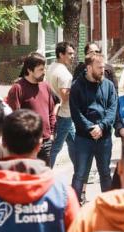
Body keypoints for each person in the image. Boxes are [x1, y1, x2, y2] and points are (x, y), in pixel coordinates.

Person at [69, 52, 117, 203]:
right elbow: (75, 112)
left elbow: (112, 108)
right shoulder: (77, 86)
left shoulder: (108, 85)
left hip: (104, 138)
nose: (103, 70)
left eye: (103, 67)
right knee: (79, 174)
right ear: (89, 68)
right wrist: (91, 128)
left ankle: (108, 207)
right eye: (99, 67)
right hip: (84, 138)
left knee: (105, 174)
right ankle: (74, 207)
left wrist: (102, 126)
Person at [6, 54, 56, 164]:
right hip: (28, 144)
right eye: (41, 69)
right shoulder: (18, 88)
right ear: (29, 70)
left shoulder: (45, 86)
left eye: (45, 69)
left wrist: (51, 133)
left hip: (46, 142)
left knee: (44, 177)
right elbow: (15, 117)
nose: (44, 72)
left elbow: (51, 112)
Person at [47, 41, 77, 169]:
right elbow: (65, 96)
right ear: (61, 54)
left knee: (74, 144)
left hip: (61, 113)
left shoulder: (52, 66)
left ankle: (82, 173)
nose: (72, 56)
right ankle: (45, 176)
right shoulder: (64, 74)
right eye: (69, 54)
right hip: (64, 115)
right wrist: (76, 89)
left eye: (73, 54)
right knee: (55, 148)